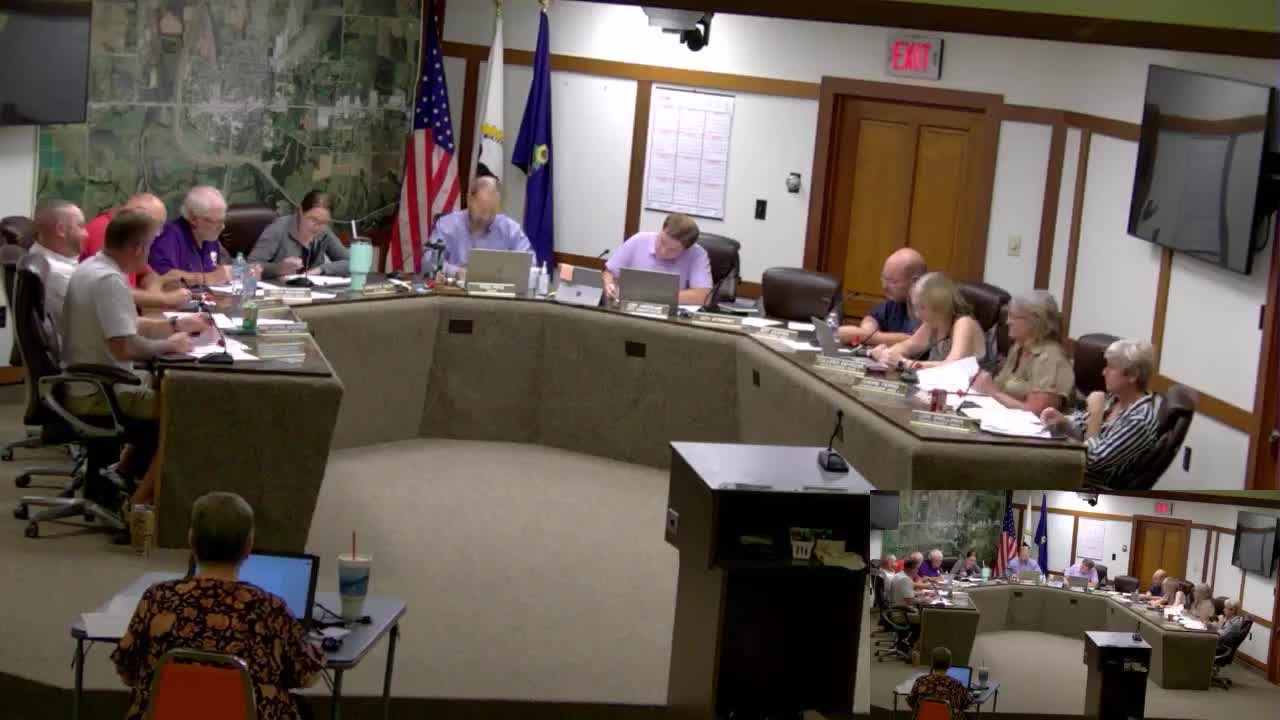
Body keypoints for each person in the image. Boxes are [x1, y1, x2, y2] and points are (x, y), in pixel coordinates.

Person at [112, 492, 323, 720]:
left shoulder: (157, 598)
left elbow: (127, 673)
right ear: (249, 546)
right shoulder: (271, 609)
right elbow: (307, 678)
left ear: (191, 540)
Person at [62, 210, 210, 504]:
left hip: (88, 379)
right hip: (99, 390)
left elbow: (125, 325)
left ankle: (121, 472)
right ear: (138, 247)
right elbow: (125, 347)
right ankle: (138, 505)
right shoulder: (109, 281)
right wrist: (168, 346)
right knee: (182, 411)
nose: (152, 252)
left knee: (163, 386)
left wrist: (175, 325)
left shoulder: (93, 267)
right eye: (151, 244)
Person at [1040, 338, 1158, 487]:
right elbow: (1083, 424)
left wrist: (1095, 415)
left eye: (1111, 367)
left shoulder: (1139, 420)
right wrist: (1064, 421)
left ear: (1132, 376)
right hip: (1072, 470)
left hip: (1088, 486)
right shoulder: (1116, 398)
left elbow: (1092, 460)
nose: (1103, 372)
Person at [971, 291, 1075, 414]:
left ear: (1036, 320)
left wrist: (992, 392)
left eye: (1013, 316)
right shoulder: (1018, 348)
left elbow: (1036, 412)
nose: (1007, 322)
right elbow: (1001, 388)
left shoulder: (1050, 358)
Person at [81, 193, 190, 309]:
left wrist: (154, 295)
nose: (158, 233)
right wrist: (163, 300)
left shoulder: (130, 237)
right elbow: (112, 290)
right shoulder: (105, 230)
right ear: (138, 215)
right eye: (157, 225)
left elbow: (149, 274)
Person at [870, 272, 987, 370]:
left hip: (974, 387)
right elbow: (908, 346)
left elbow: (953, 366)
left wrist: (904, 363)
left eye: (922, 307)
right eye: (915, 307)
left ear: (939, 304)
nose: (917, 314)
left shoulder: (964, 323)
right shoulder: (933, 322)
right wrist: (887, 354)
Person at [429, 175, 532, 279]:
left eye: (491, 213)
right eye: (482, 212)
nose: (485, 219)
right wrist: (456, 272)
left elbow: (530, 265)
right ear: (469, 199)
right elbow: (429, 261)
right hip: (455, 288)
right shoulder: (447, 225)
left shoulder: (511, 230)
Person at [603, 212, 713, 306]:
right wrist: (609, 285)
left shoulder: (697, 254)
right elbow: (609, 273)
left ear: (686, 250)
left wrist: (650, 296)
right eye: (662, 242)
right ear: (661, 230)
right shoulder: (639, 240)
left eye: (673, 250)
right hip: (628, 307)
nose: (663, 251)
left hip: (668, 315)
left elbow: (704, 296)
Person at [250, 190, 352, 278]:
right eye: (313, 220)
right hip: (278, 290)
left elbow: (351, 263)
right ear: (301, 211)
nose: (317, 227)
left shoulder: (324, 231)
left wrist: (320, 270)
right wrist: (279, 268)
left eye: (324, 222)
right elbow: (251, 266)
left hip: (314, 291)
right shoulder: (278, 228)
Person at [836, 248, 925, 346]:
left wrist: (863, 336)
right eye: (884, 278)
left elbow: (916, 341)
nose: (884, 286)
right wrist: (867, 330)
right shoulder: (896, 302)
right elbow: (872, 317)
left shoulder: (929, 307)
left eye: (893, 282)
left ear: (915, 282)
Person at [147, 186, 232, 286]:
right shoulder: (168, 237)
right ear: (193, 219)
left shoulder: (210, 237)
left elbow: (226, 269)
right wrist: (206, 278)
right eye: (218, 222)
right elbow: (161, 277)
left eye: (223, 220)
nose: (222, 227)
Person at [27, 198, 86, 333]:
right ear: (61, 230)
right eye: (81, 226)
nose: (86, 234)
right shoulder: (59, 274)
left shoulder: (36, 251)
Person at [907, 647, 972, 720]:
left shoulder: (921, 681)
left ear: (932, 663)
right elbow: (967, 704)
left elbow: (910, 701)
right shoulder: (956, 684)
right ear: (949, 664)